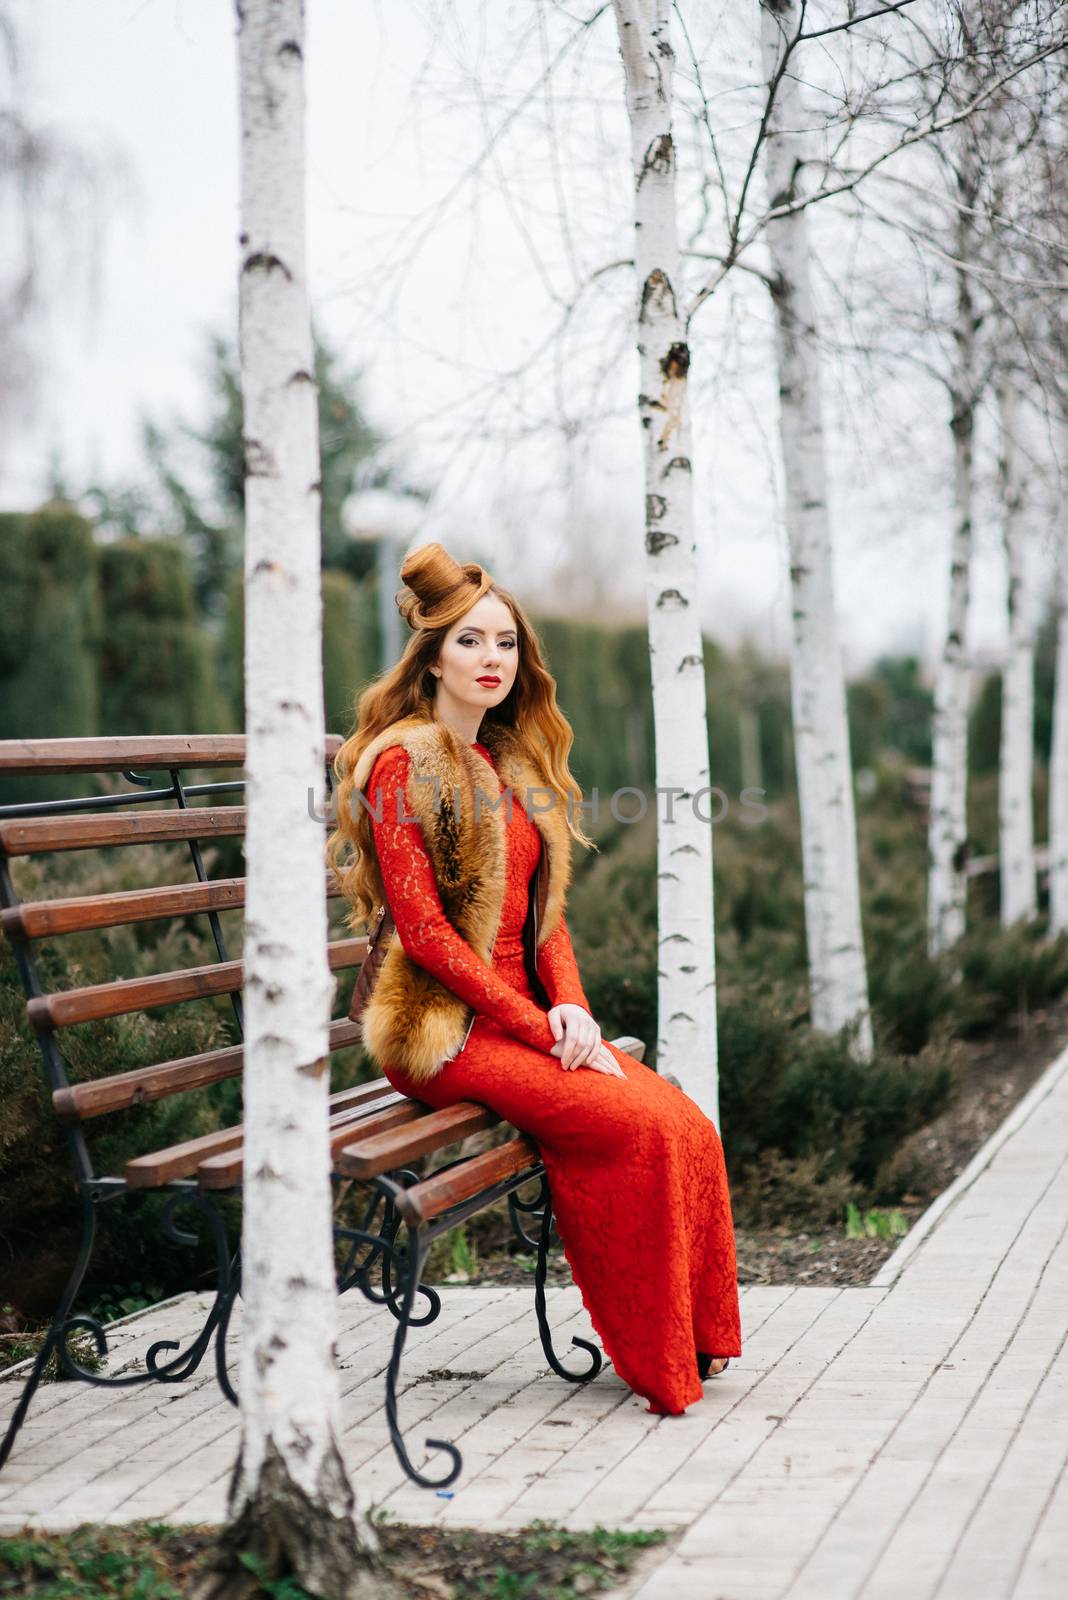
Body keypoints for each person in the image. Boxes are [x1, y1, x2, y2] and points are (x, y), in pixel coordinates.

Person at [327, 542, 741, 1415]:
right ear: (432, 656)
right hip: (441, 1026)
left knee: (685, 1124)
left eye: (506, 644)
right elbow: (429, 936)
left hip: (521, 1019)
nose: (492, 661)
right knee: (634, 1127)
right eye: (471, 643)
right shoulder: (404, 767)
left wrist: (575, 1011)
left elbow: (543, 917)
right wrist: (532, 1021)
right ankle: (655, 1355)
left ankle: (697, 1341)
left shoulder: (513, 768)